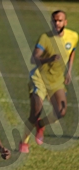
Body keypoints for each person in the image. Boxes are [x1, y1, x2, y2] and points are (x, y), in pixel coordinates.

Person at [19, 10, 77, 153]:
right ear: (51, 22)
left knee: (61, 111)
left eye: (60, 20)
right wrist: (49, 59)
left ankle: (41, 125)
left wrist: (69, 71)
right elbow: (34, 59)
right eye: (54, 20)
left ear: (65, 22)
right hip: (40, 79)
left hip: (57, 80)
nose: (57, 23)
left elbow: (72, 51)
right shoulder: (45, 38)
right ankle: (24, 141)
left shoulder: (73, 36)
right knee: (36, 112)